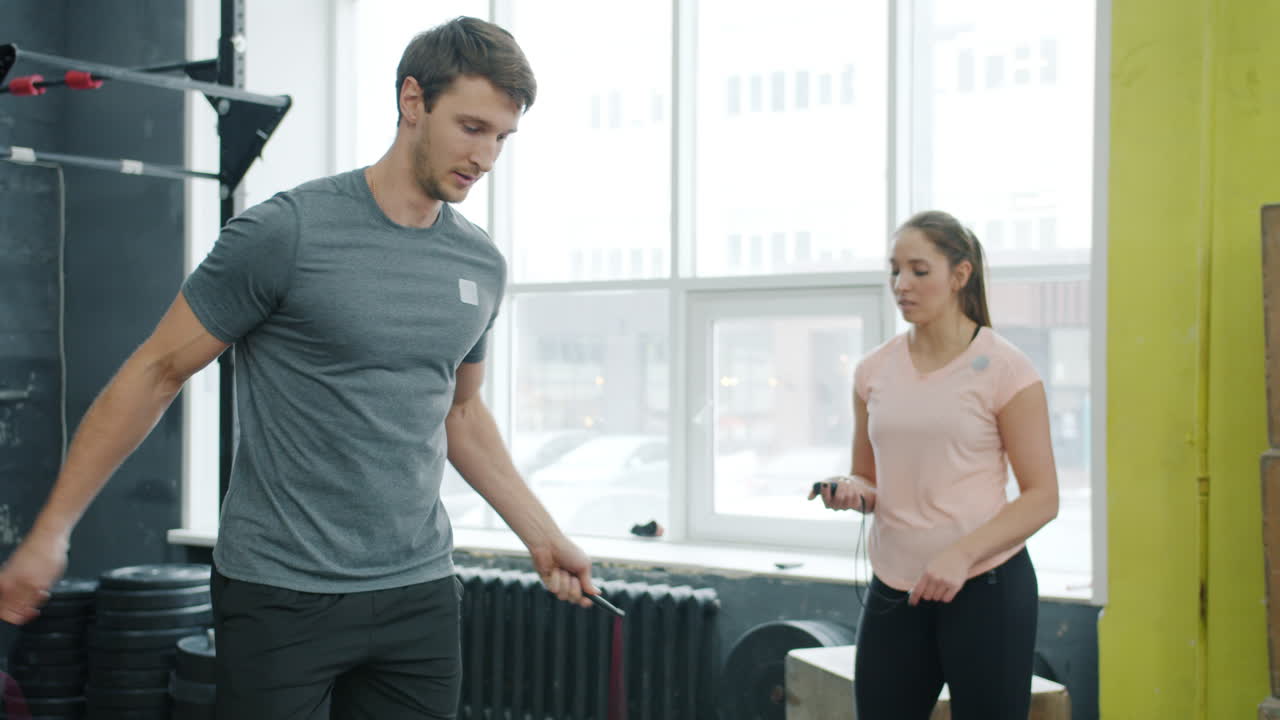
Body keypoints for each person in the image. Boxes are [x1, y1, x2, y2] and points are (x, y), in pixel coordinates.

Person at [0, 17, 598, 719]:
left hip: (418, 593)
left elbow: (460, 412)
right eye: (471, 127)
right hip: (280, 594)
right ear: (412, 101)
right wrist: (52, 532)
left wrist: (542, 535)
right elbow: (154, 372)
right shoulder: (286, 232)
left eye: (502, 137)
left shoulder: (480, 263)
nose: (486, 155)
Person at [809, 210, 1059, 719]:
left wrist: (960, 556)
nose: (901, 284)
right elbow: (869, 479)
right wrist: (850, 489)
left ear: (960, 274)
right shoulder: (873, 370)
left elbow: (1043, 498)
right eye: (894, 270)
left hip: (986, 586)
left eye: (919, 270)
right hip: (895, 587)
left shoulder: (1006, 368)